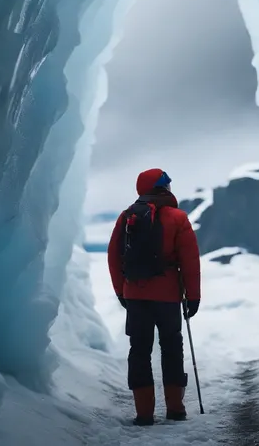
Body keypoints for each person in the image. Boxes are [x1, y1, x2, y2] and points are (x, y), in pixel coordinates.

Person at [108, 168, 201, 426]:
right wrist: (193, 297)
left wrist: (121, 291)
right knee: (171, 347)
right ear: (163, 187)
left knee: (139, 350)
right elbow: (189, 261)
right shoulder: (178, 218)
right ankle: (175, 409)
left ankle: (144, 414)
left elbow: (114, 259)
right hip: (169, 296)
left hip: (136, 295)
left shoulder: (126, 217)